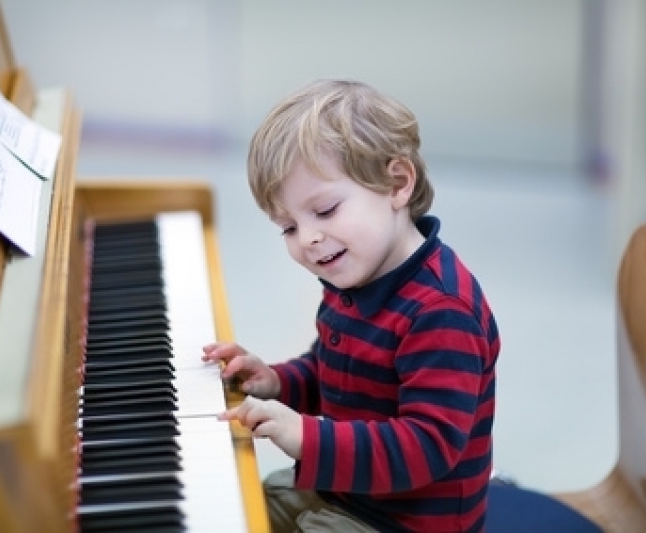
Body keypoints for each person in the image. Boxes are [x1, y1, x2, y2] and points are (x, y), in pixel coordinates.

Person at [202, 79, 501, 532]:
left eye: (324, 211)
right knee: (242, 509)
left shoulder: (440, 311)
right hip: (354, 492)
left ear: (397, 184)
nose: (309, 239)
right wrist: (276, 381)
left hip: (410, 520)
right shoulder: (357, 274)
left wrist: (304, 434)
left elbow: (428, 446)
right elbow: (335, 370)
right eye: (287, 227)